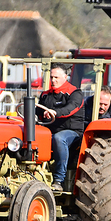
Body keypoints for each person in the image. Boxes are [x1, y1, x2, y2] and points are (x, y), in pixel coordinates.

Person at [36, 63, 84, 191]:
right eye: (51, 77)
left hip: (71, 133)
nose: (53, 80)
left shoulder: (75, 93)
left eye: (56, 77)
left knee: (59, 138)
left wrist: (55, 112)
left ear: (65, 77)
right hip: (49, 130)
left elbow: (71, 108)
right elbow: (38, 113)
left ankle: (58, 180)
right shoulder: (46, 95)